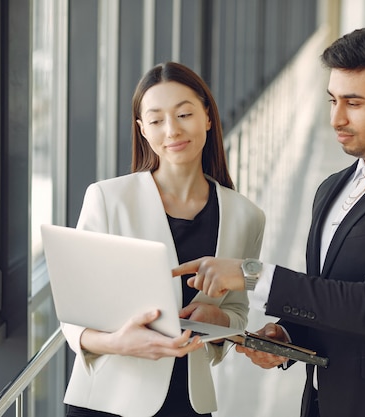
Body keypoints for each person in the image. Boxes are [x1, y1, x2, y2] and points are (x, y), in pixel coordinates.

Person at [173, 22, 365, 417]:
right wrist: (286, 336)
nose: (336, 118)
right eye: (332, 100)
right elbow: (333, 295)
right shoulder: (332, 188)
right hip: (324, 403)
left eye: (353, 103)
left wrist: (252, 275)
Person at [61, 61, 265, 417]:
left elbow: (237, 313)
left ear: (207, 117)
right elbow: (74, 316)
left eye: (184, 114)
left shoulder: (246, 216)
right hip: (107, 400)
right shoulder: (108, 199)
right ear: (142, 130)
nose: (172, 130)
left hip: (188, 402)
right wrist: (117, 343)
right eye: (156, 120)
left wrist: (213, 321)